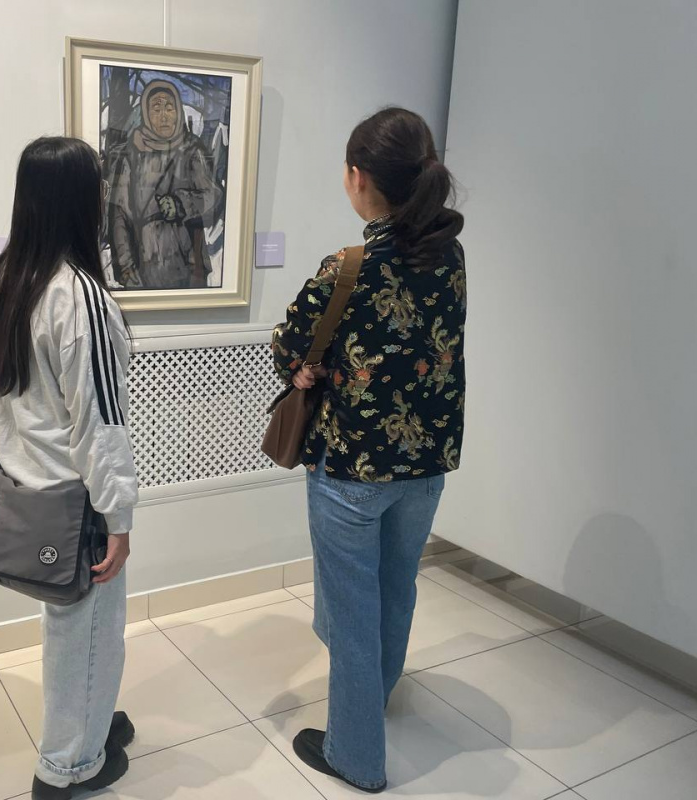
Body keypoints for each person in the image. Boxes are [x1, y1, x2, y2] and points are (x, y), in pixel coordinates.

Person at [272, 107, 466, 793]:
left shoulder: (348, 266)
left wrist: (305, 369)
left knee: (352, 609)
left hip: (353, 469)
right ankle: (372, 701)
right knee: (395, 587)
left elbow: (288, 344)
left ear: (358, 178)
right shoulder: (449, 256)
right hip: (427, 463)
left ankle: (355, 754)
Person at [0, 137, 139, 799]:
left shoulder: (7, 279)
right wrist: (119, 516)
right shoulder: (80, 296)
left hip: (31, 490)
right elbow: (100, 423)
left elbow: (8, 399)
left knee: (71, 626)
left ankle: (91, 725)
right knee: (89, 630)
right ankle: (67, 767)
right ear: (84, 201)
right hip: (79, 501)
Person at [107, 79, 223, 289]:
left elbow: (213, 196)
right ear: (146, 113)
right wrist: (125, 266)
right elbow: (119, 214)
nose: (164, 116)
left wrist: (181, 204)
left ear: (178, 112)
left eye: (169, 108)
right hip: (144, 263)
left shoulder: (191, 149)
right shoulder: (130, 153)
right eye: (156, 108)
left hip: (189, 265)